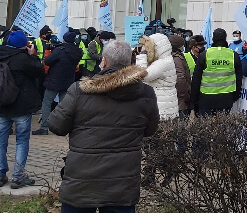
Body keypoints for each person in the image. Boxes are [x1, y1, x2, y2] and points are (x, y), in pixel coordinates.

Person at [48, 40, 159, 212]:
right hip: (122, 182)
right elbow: (150, 130)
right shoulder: (146, 93)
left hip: (81, 181)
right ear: (130, 62)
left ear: (104, 62)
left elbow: (56, 126)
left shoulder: (79, 90)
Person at [0, 30, 43, 188]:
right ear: (23, 45)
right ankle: (17, 176)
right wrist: (32, 55)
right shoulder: (23, 59)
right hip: (21, 106)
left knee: (0, 140)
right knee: (21, 140)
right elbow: (40, 72)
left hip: (1, 104)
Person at [34, 31, 83, 136]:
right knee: (63, 105)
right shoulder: (78, 51)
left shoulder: (60, 50)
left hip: (54, 80)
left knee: (47, 102)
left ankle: (44, 127)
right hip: (68, 80)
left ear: (64, 39)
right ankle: (61, 126)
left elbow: (47, 61)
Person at [191, 29, 243, 115]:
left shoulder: (205, 54)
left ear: (213, 39)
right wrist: (235, 96)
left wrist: (194, 99)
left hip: (206, 98)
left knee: (205, 127)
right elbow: (239, 78)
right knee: (222, 127)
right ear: (225, 39)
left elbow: (196, 79)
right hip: (226, 98)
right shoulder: (233, 55)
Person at [135, 33, 179, 120]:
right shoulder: (165, 60)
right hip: (163, 105)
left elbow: (142, 75)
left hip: (162, 109)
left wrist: (142, 54)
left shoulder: (163, 63)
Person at [169, 35, 192, 119]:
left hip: (174, 100)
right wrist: (185, 95)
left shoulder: (169, 56)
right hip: (181, 101)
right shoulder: (177, 58)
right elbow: (180, 78)